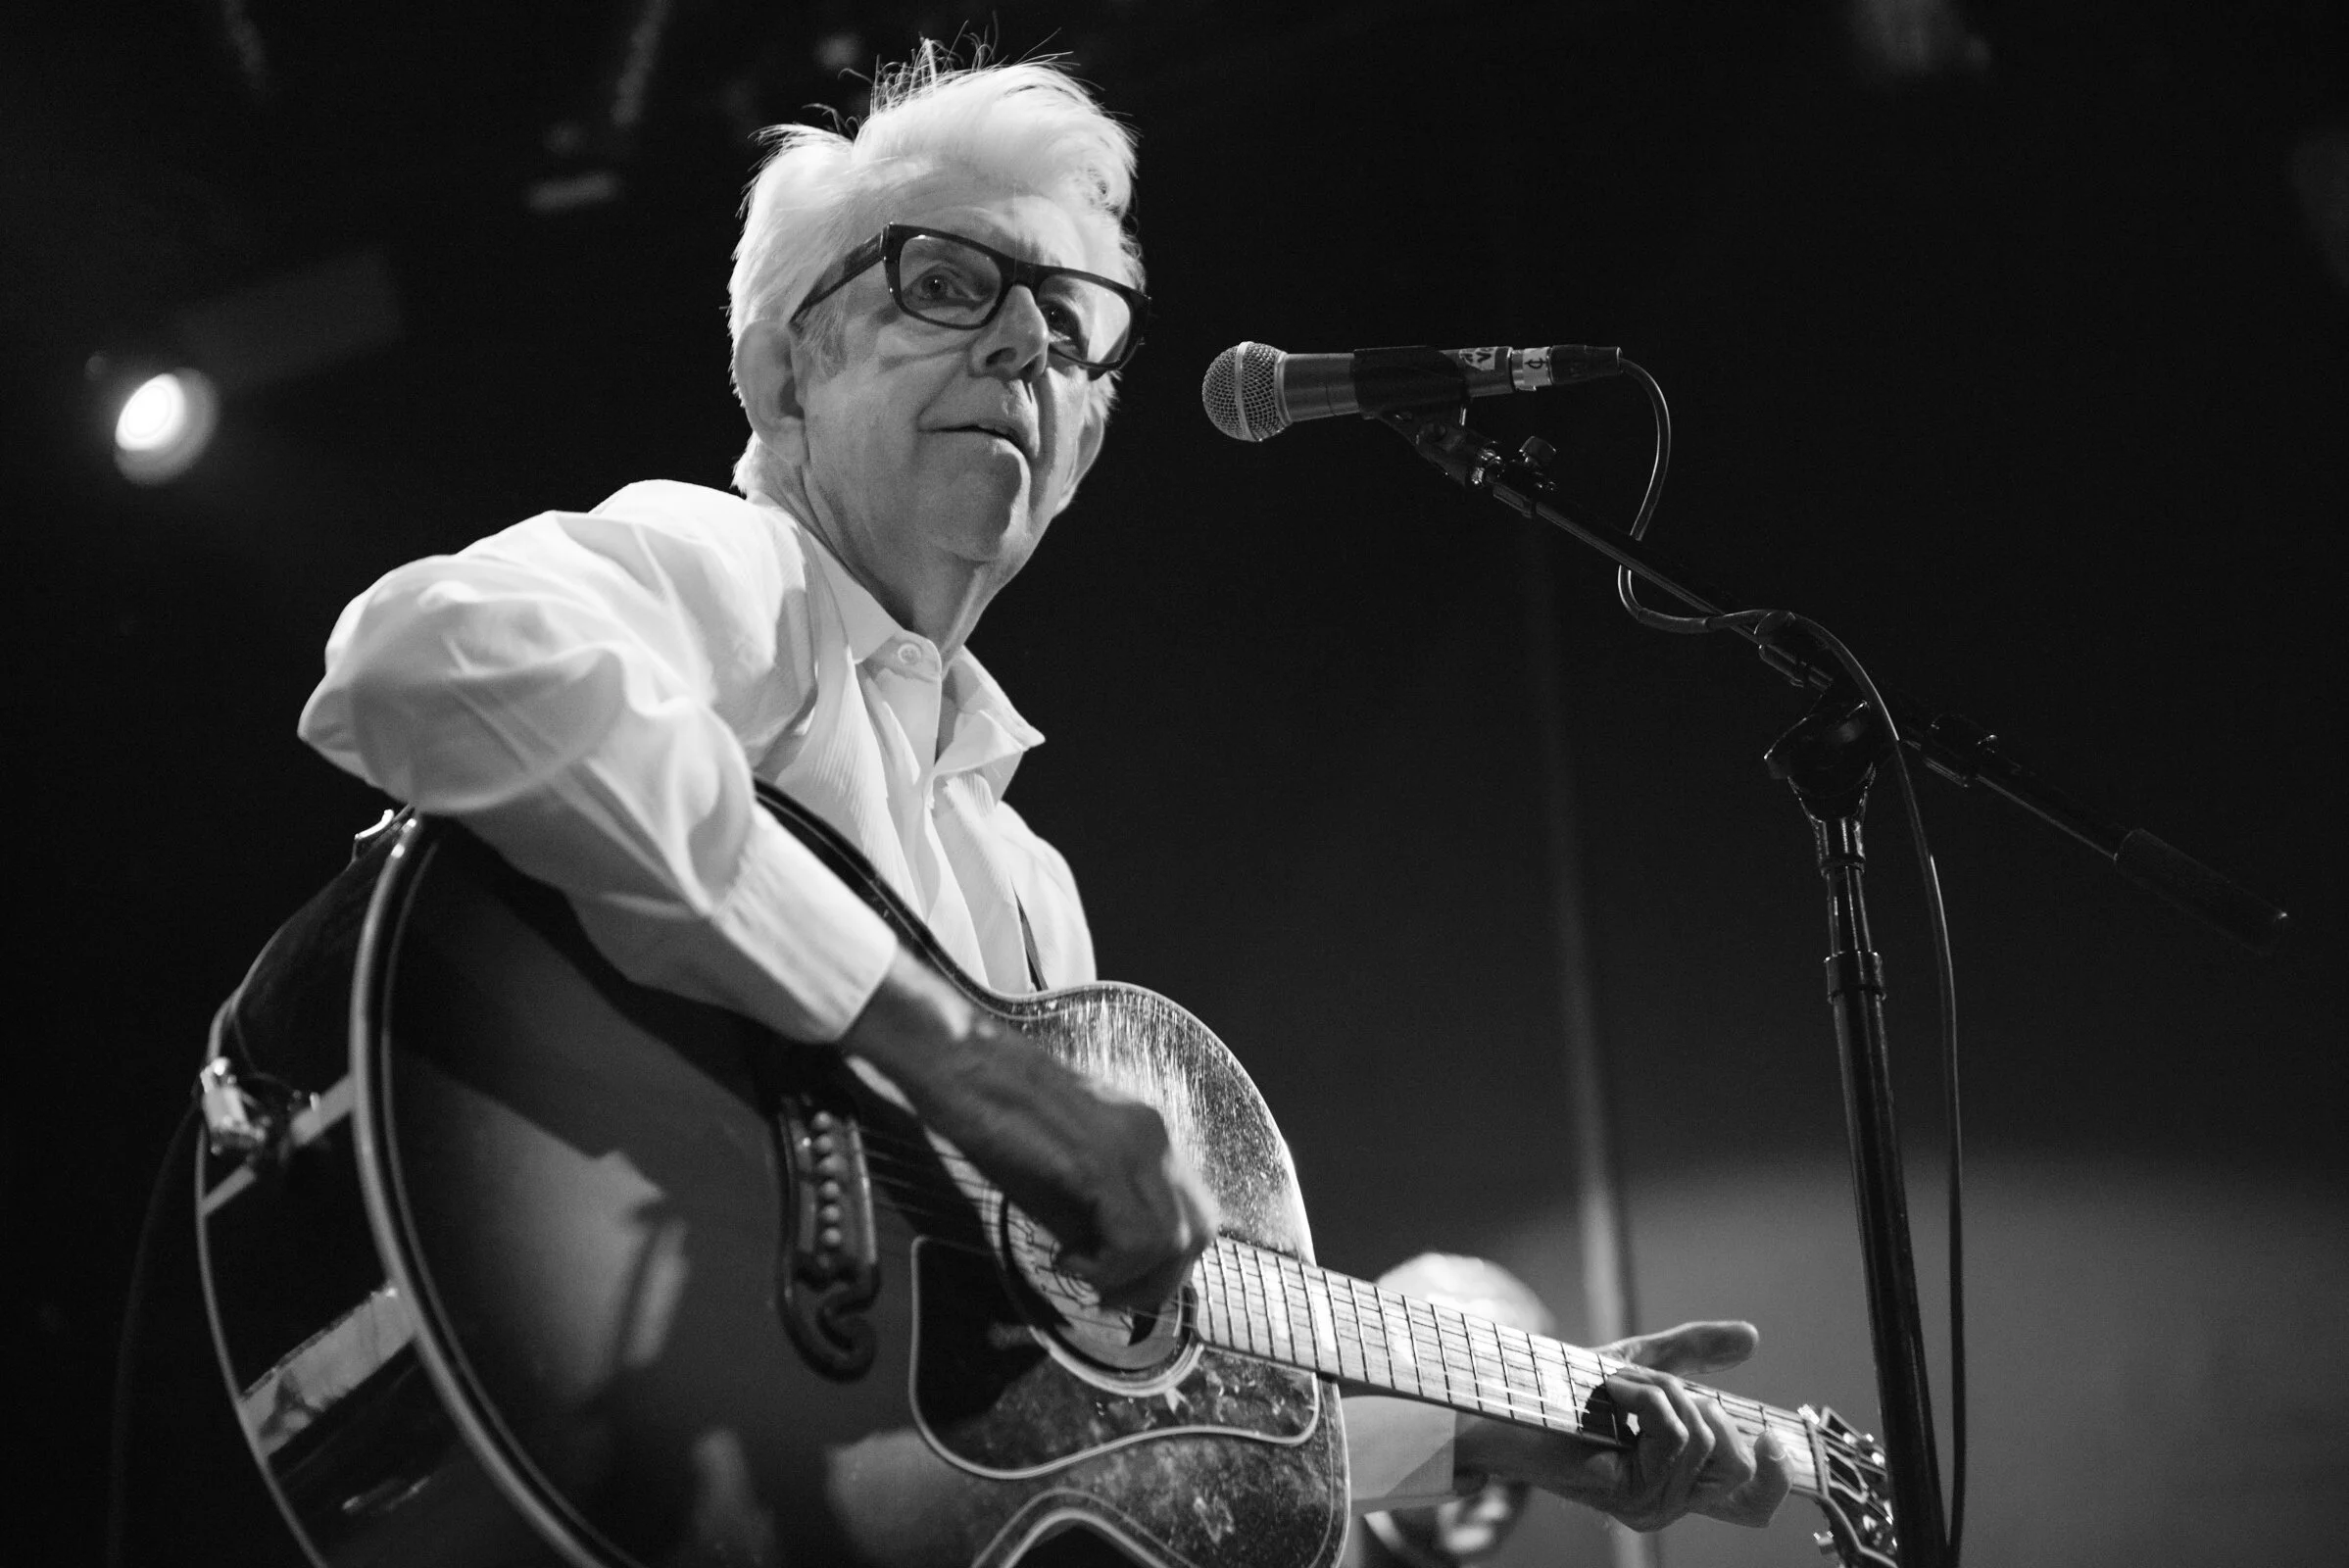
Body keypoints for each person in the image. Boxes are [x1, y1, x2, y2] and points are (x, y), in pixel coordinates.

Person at [296, 45, 1789, 1556]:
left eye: (1072, 330)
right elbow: (429, 656)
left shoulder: (1022, 885)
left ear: (1080, 445)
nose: (1024, 344)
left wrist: (1486, 1425)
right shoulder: (738, 580)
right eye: (948, 286)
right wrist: (965, 1068)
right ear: (784, 372)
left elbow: (1074, 1415)